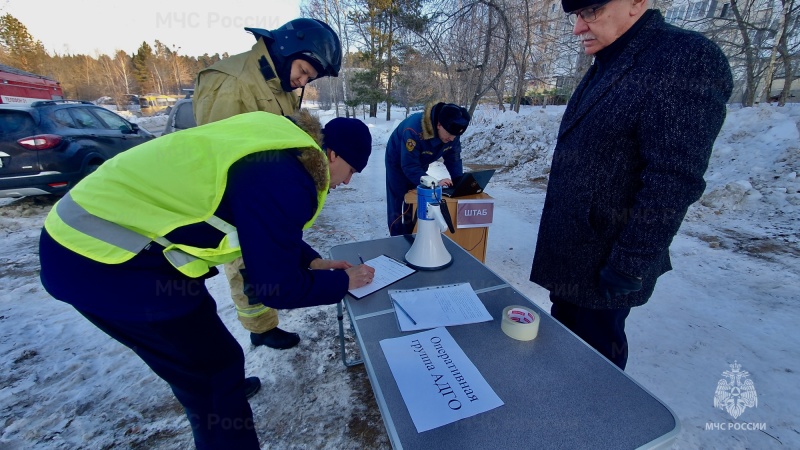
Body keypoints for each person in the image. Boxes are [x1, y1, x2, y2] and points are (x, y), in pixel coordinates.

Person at [39, 110, 375, 450]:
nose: (347, 182)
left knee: (210, 353)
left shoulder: (282, 148)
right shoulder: (289, 180)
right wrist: (343, 283)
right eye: (351, 171)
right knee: (214, 374)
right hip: (98, 258)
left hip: (92, 236)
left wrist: (311, 260)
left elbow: (262, 221)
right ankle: (217, 402)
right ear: (332, 155)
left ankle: (216, 390)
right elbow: (277, 288)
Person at [529, 0, 733, 370]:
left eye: (590, 11)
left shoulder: (684, 57)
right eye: (576, 15)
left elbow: (673, 177)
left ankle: (597, 425)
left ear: (637, 2)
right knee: (561, 356)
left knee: (595, 368)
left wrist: (631, 263)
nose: (578, 28)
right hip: (571, 256)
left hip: (606, 261)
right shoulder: (609, 59)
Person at [193, 17, 343, 350]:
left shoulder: (278, 83)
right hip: (237, 197)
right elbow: (217, 152)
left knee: (264, 259)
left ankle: (264, 323)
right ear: (288, 48)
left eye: (309, 78)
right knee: (246, 266)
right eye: (303, 71)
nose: (303, 80)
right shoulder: (231, 83)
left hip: (265, 192)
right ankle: (260, 328)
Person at [385, 102, 471, 236]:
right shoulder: (414, 130)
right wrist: (433, 183)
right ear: (439, 125)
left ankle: (410, 234)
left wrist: (459, 182)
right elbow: (409, 165)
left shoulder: (452, 131)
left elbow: (453, 158)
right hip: (397, 161)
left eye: (455, 136)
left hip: (421, 160)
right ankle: (396, 238)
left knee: (414, 197)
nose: (452, 139)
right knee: (398, 200)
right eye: (449, 135)